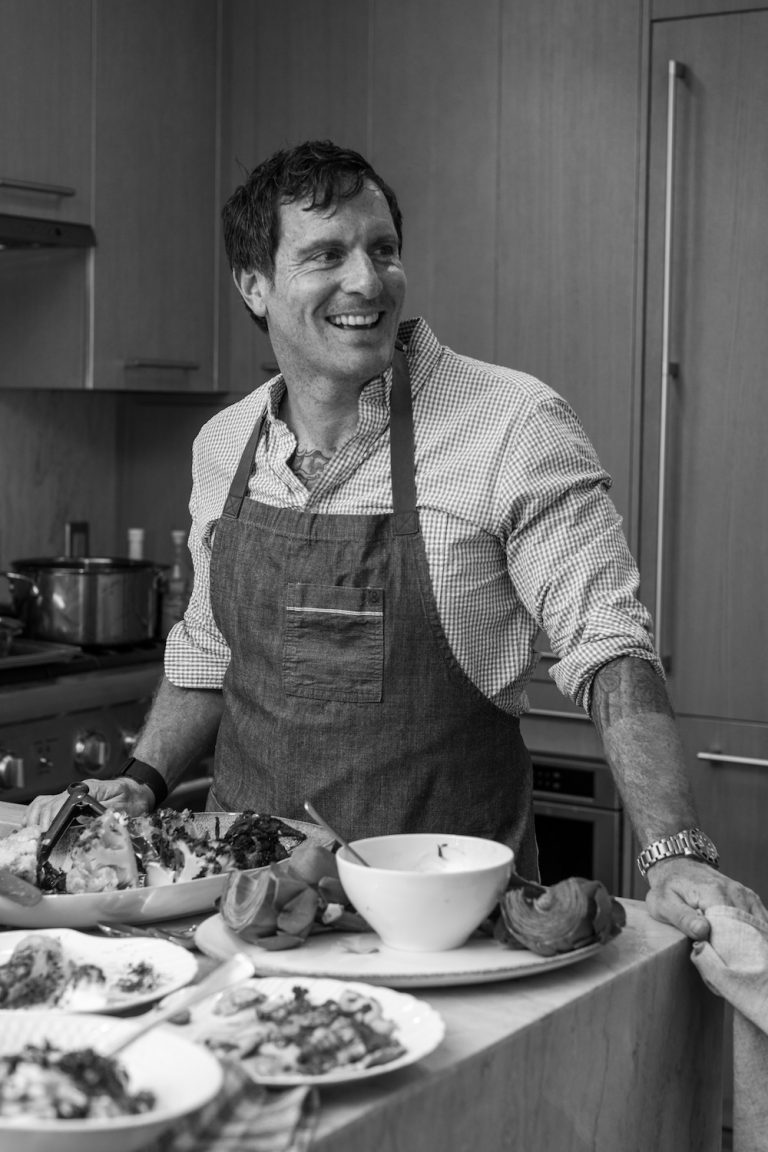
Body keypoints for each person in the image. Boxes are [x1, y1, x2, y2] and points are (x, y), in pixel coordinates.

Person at [25, 139, 766, 940]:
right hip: (246, 914)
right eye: (327, 255)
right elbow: (208, 649)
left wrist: (674, 849)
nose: (368, 282)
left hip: (453, 923)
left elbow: (610, 645)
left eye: (383, 250)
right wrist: (141, 779)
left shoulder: (512, 424)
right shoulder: (224, 444)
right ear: (254, 284)